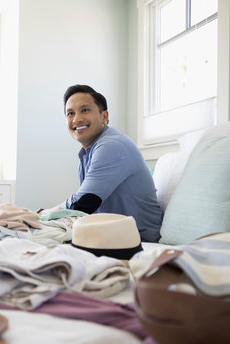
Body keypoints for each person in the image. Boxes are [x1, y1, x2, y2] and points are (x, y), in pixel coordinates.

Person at [40, 85, 162, 243]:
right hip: (112, 233)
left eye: (85, 110)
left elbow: (84, 204)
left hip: (138, 240)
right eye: (70, 113)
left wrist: (43, 215)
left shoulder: (112, 145)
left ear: (104, 117)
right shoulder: (88, 153)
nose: (77, 119)